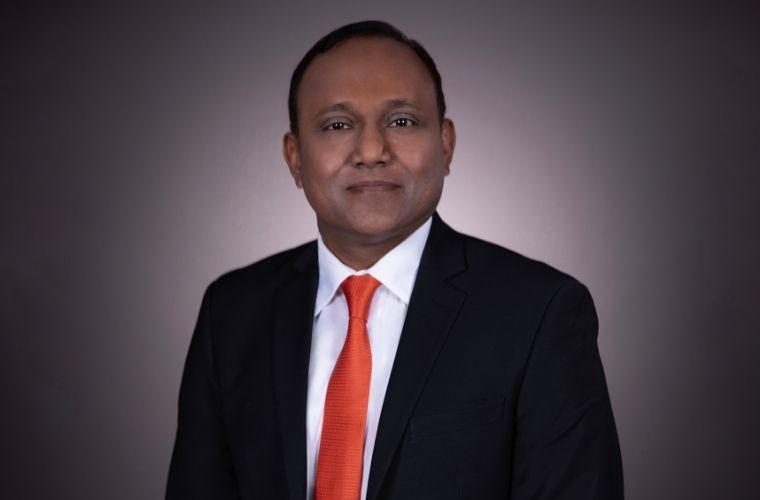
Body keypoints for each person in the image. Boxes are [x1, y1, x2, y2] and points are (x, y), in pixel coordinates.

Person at [166, 20, 623, 500]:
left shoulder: (539, 312)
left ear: (445, 144)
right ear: (295, 158)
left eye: (402, 121)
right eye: (337, 125)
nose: (371, 151)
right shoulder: (233, 312)